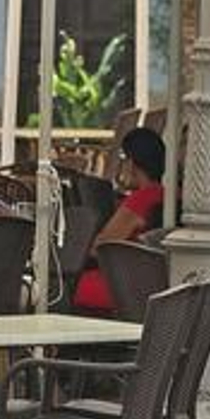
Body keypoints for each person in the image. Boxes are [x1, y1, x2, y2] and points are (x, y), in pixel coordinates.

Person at [71, 128, 165, 313]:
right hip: (155, 281)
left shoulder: (141, 199)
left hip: (124, 285)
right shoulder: (166, 197)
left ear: (131, 162)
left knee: (61, 285)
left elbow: (100, 248)